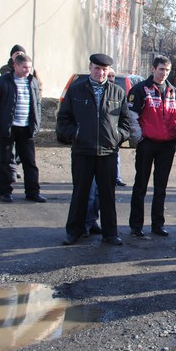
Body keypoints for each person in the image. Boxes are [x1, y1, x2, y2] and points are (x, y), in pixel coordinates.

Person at [57, 53, 130, 246]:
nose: (100, 73)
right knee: (80, 193)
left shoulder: (117, 92)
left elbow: (126, 123)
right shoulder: (76, 90)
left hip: (108, 152)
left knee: (107, 195)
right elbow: (63, 119)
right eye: (97, 68)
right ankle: (74, 231)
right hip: (83, 151)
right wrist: (77, 133)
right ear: (90, 68)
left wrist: (117, 136)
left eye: (104, 70)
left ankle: (111, 233)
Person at [127, 56, 176, 238]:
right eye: (161, 69)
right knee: (140, 185)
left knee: (161, 187)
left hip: (167, 146)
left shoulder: (174, 92)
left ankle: (158, 224)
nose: (163, 73)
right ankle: (136, 226)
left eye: (167, 70)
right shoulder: (140, 89)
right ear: (153, 69)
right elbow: (131, 116)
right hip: (147, 144)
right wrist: (139, 139)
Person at [0, 53, 43, 203]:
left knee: (30, 162)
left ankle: (33, 192)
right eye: (24, 67)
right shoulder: (2, 82)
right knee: (5, 161)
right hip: (7, 127)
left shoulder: (33, 82)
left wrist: (37, 124)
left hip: (26, 128)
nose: (27, 70)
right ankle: (5, 192)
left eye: (29, 67)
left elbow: (37, 103)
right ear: (15, 66)